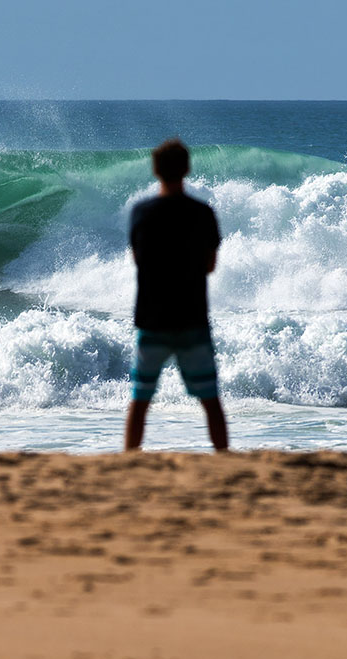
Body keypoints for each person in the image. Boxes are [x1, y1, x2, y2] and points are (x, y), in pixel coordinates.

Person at [125, 139, 228, 452]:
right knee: (210, 399)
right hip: (191, 317)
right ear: (187, 168)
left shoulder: (141, 212)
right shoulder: (202, 213)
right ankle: (224, 459)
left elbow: (138, 259)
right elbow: (210, 265)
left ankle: (129, 461)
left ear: (156, 170)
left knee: (140, 400)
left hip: (152, 319)